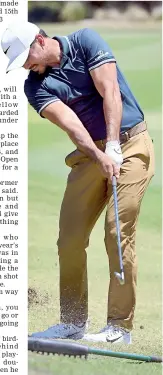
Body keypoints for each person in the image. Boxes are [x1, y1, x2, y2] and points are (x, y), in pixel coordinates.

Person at [1, 21, 154, 344]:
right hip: (89, 156)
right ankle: (72, 322)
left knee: (117, 232)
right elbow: (73, 128)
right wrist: (100, 157)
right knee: (69, 239)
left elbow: (109, 91)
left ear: (40, 40)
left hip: (131, 144)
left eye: (26, 56)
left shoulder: (86, 41)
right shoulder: (35, 86)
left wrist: (113, 145)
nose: (27, 65)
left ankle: (119, 327)